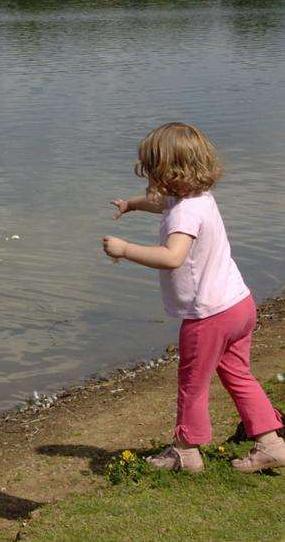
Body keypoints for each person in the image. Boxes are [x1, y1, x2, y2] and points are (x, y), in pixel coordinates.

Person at [103, 122, 283, 472]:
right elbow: (161, 203)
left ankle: (186, 451)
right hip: (238, 304)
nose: (149, 177)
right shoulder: (197, 199)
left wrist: (125, 249)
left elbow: (173, 256)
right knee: (239, 375)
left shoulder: (183, 213)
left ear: (166, 171)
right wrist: (132, 204)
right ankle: (272, 443)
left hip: (209, 315)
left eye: (151, 169)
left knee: (192, 384)